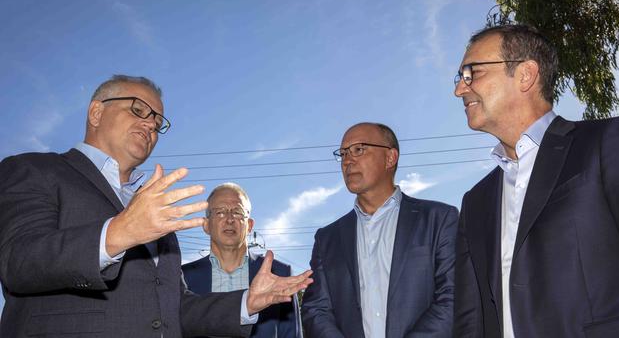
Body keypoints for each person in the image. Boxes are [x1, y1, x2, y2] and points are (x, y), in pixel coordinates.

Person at [0, 75, 312, 338]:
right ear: (96, 113)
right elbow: (19, 261)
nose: (150, 124)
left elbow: (173, 310)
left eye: (157, 121)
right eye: (138, 110)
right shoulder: (33, 170)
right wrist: (119, 232)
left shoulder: (152, 209)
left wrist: (247, 303)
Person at [452, 24, 619, 338]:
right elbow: (469, 320)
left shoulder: (607, 143)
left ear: (525, 75)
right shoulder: (475, 201)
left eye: (472, 72)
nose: (460, 89)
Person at [301, 122, 458, 338]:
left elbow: (453, 296)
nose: (348, 160)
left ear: (390, 158)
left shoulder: (438, 219)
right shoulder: (327, 239)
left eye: (359, 149)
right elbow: (316, 310)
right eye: (343, 153)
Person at [183, 183, 303, 338]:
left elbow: (290, 334)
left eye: (238, 212)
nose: (229, 219)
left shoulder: (279, 274)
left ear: (250, 225)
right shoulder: (182, 277)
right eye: (220, 212)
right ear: (206, 225)